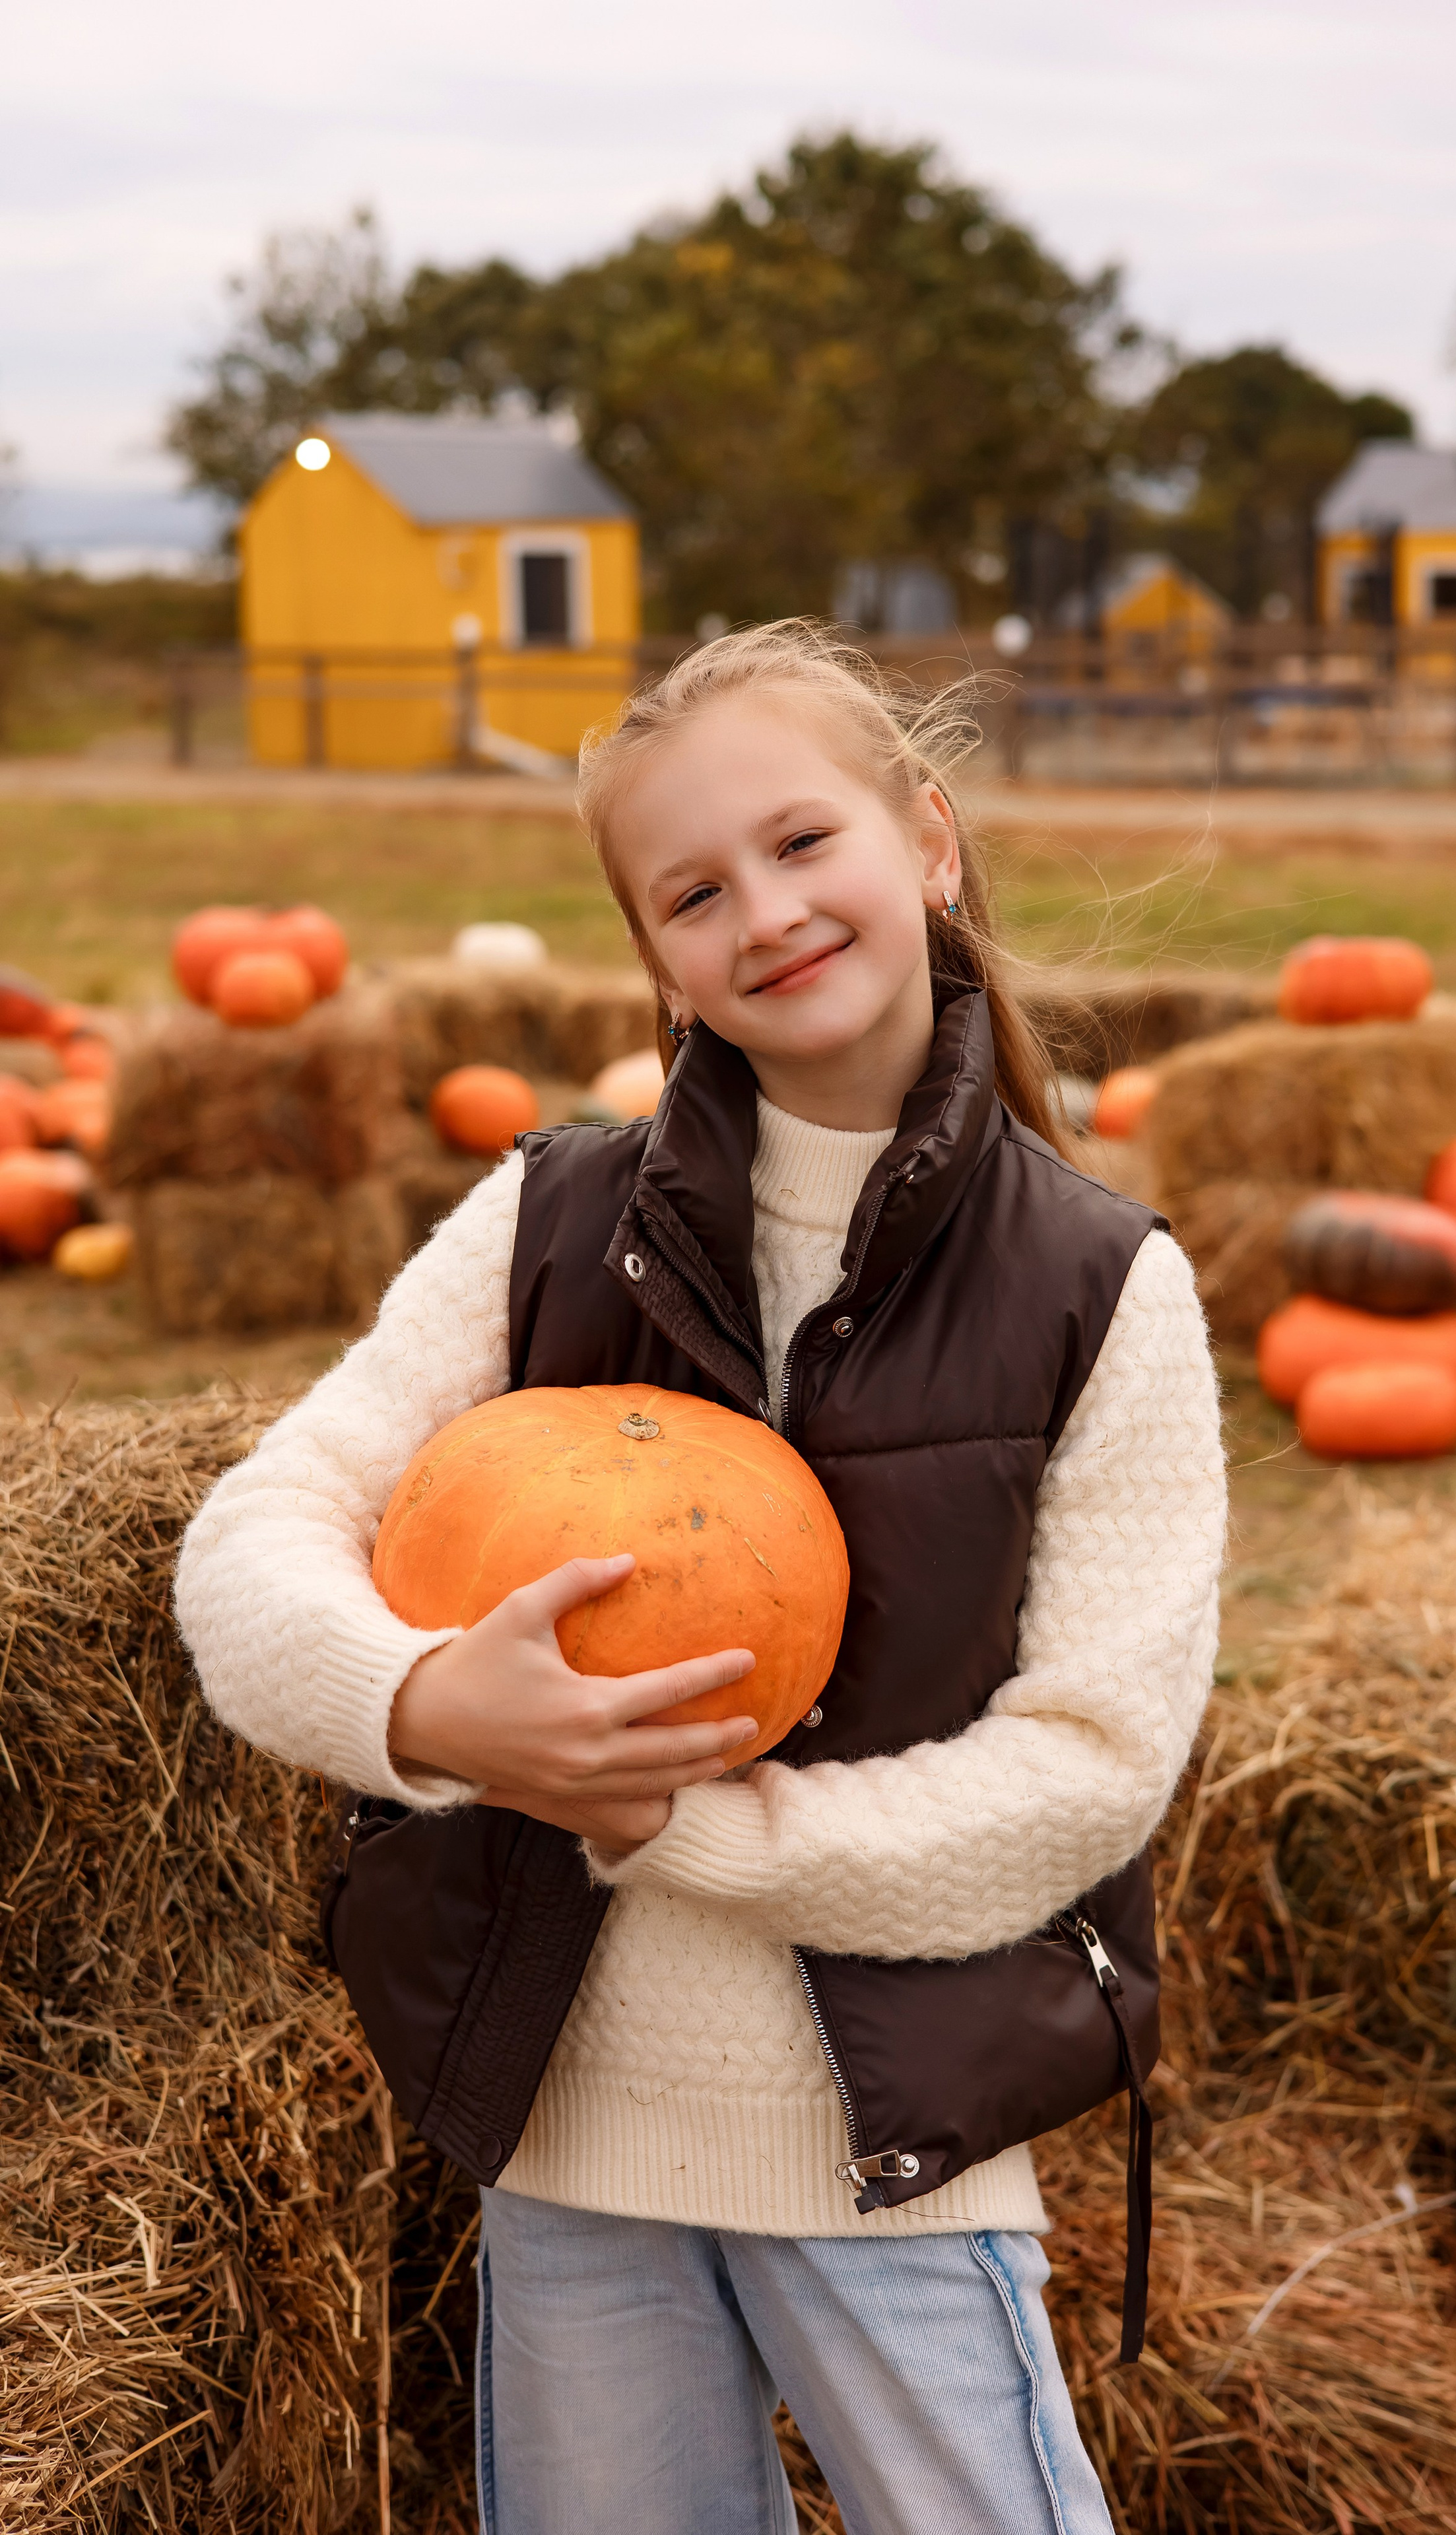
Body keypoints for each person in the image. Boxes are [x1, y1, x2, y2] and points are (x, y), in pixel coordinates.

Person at [176, 621, 1226, 2535]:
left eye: (803, 843)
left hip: (890, 2150)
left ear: (928, 841)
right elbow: (254, 1542)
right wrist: (426, 1706)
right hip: (569, 2129)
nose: (766, 912)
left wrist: (692, 1837)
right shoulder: (548, 1221)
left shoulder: (1097, 1286)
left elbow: (1093, 1764)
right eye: (694, 890)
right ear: (654, 956)